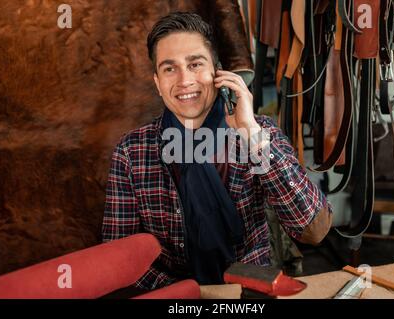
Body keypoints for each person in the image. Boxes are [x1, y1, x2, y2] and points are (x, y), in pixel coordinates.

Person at [102, 12, 333, 291]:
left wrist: (250, 133)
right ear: (157, 83)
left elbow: (313, 230)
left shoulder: (261, 133)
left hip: (250, 294)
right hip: (174, 298)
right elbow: (120, 255)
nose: (185, 80)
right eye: (169, 68)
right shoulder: (131, 151)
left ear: (218, 72)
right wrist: (191, 295)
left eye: (195, 64)